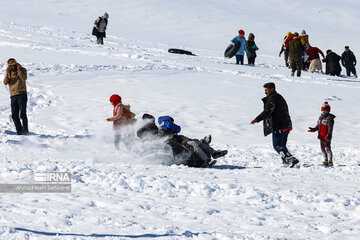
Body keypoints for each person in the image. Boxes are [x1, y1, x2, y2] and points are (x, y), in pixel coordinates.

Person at [137, 114, 227, 167]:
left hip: (170, 139)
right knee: (193, 143)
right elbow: (178, 128)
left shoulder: (152, 127)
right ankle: (208, 155)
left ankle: (207, 147)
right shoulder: (164, 123)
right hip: (172, 138)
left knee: (194, 142)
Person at [250, 82, 299, 167]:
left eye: (266, 90)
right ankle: (286, 161)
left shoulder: (273, 98)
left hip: (279, 126)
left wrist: (257, 119)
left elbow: (268, 111)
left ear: (272, 89)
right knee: (282, 146)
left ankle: (291, 159)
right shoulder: (279, 97)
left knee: (277, 146)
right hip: (286, 125)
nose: (265, 92)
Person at [3, 58, 29, 135]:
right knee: (14, 115)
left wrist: (19, 70)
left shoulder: (22, 69)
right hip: (13, 96)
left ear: (16, 63)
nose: (12, 66)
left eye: (13, 64)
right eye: (10, 64)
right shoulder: (9, 72)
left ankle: (25, 131)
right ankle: (19, 131)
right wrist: (7, 73)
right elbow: (5, 82)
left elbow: (24, 78)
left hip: (22, 94)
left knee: (22, 114)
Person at [308, 102, 335, 166]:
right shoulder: (320, 117)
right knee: (322, 149)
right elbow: (318, 126)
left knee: (327, 148)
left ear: (328, 110)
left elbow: (330, 128)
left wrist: (329, 135)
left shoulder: (329, 118)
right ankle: (325, 160)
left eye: (325, 110)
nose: (323, 111)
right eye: (322, 110)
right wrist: (314, 129)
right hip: (321, 136)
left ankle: (330, 161)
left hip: (326, 136)